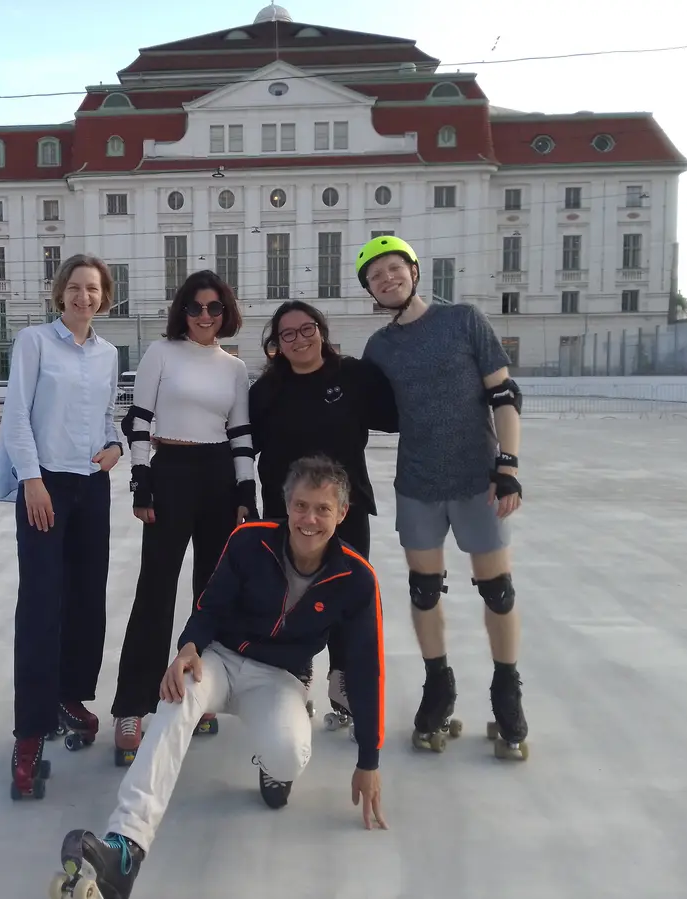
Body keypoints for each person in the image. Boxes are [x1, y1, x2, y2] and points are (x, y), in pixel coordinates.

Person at [50, 456, 387, 899]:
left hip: (279, 677)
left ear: (341, 513)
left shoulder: (356, 578)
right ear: (286, 504)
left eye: (322, 509)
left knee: (287, 754)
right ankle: (126, 844)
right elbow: (210, 605)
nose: (309, 520)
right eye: (301, 506)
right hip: (220, 660)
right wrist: (188, 648)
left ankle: (274, 770)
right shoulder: (250, 541)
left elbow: (366, 669)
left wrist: (369, 760)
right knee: (177, 698)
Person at [356, 234, 529, 761]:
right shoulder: (379, 348)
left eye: (394, 268)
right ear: (370, 290)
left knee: (497, 590)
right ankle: (439, 688)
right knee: (424, 590)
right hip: (418, 482)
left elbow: (504, 393)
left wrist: (508, 466)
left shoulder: (463, 320)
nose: (387, 279)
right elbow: (367, 409)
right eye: (375, 276)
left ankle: (507, 693)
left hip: (478, 478)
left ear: (413, 271)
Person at [0, 253, 124, 799]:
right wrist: (31, 479)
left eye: (93, 288)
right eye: (75, 287)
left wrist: (116, 446)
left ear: (104, 297)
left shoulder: (108, 353)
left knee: (87, 599)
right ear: (60, 292)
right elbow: (16, 415)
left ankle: (71, 695)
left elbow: (108, 415)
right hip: (45, 486)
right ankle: (30, 729)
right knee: (42, 604)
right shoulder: (35, 343)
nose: (83, 296)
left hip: (92, 485)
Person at [110, 270, 256, 763]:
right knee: (155, 589)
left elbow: (240, 433)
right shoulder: (162, 353)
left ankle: (200, 693)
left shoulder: (234, 367)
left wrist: (246, 489)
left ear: (225, 312)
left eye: (214, 307)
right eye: (195, 307)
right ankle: (132, 706)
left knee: (210, 593)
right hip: (171, 472)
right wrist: (141, 478)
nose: (205, 316)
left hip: (219, 476)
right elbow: (139, 420)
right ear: (183, 311)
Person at [249, 300, 398, 731]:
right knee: (293, 597)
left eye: (307, 328)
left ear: (321, 330)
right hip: (287, 515)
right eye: (287, 334)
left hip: (345, 511)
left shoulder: (352, 376)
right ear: (277, 345)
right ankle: (295, 673)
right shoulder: (266, 391)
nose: (299, 339)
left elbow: (399, 414)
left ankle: (344, 678)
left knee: (348, 596)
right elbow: (241, 445)